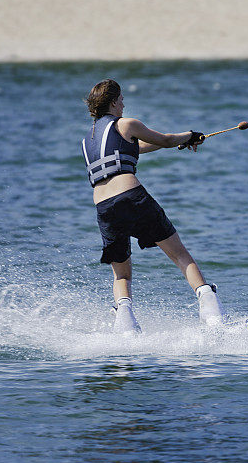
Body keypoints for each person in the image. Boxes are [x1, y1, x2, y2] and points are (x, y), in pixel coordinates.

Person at [81, 79, 227, 334]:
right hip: (130, 196)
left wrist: (176, 142)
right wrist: (190, 136)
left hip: (104, 208)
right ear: (113, 101)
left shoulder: (89, 139)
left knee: (121, 275)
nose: (124, 103)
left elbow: (138, 147)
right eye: (122, 99)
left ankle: (125, 328)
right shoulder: (126, 123)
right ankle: (213, 316)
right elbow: (166, 138)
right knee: (179, 254)